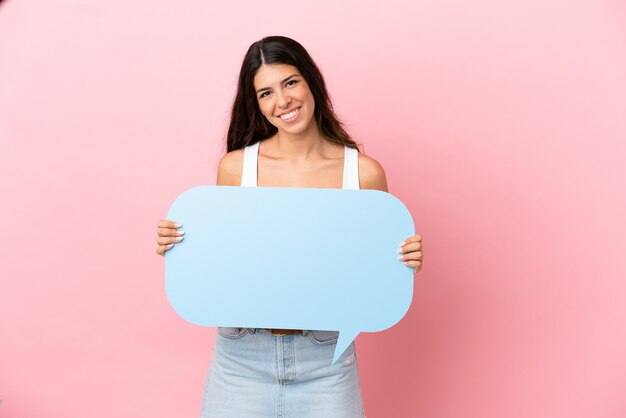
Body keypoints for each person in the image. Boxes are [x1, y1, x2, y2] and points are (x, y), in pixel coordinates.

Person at [155, 36, 423, 418]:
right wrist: (182, 245)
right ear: (257, 105)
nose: (282, 102)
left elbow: (372, 273)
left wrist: (401, 261)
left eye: (290, 82)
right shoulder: (235, 168)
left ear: (311, 81)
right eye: (266, 92)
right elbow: (226, 261)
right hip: (241, 357)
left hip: (326, 360)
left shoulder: (362, 173)